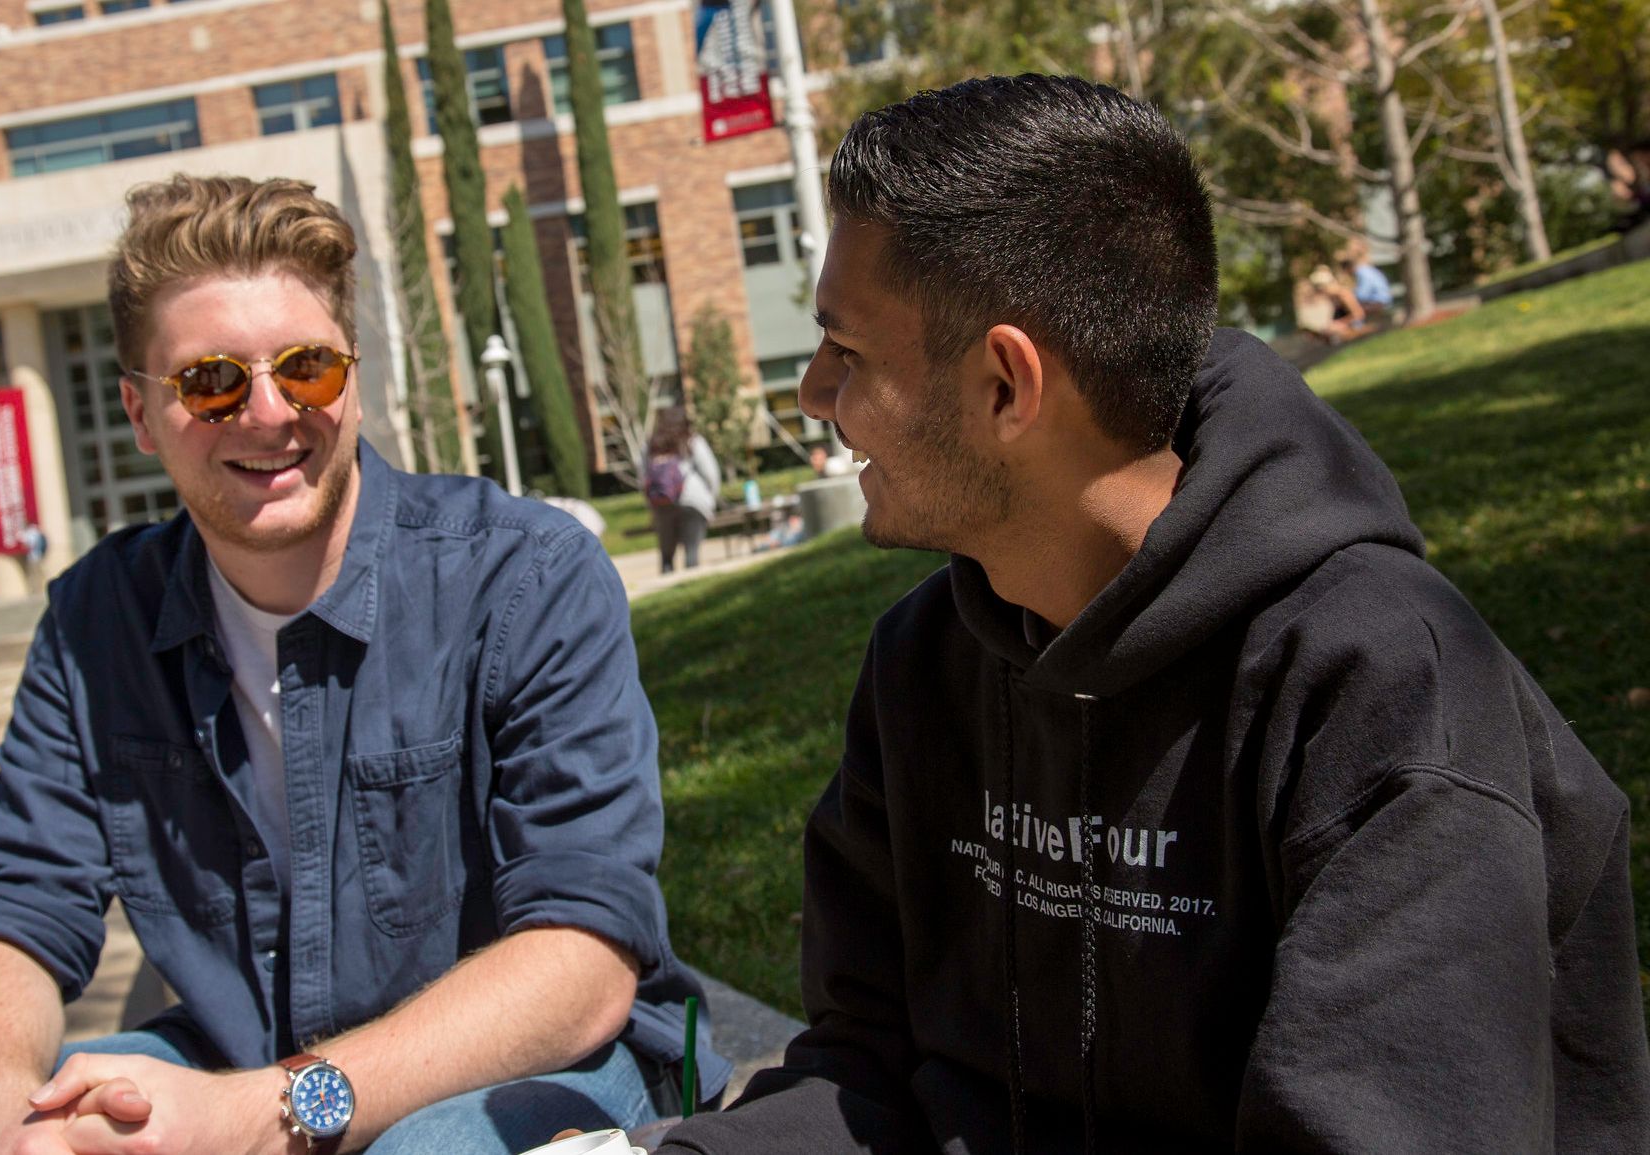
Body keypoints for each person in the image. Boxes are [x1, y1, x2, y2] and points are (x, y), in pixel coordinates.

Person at [657, 75, 1649, 1153]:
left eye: (844, 353)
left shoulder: (1382, 691)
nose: (810, 394)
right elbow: (868, 1066)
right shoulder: (922, 662)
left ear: (1005, 385)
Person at [0, 175, 727, 1155]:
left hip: (533, 1073)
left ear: (353, 376)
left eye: (306, 368)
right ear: (137, 412)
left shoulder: (524, 574)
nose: (265, 413)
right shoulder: (96, 621)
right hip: (233, 1057)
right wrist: (0, 1130)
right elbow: (10, 921)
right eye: (209, 382)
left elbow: (579, 964)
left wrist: (260, 1115)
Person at [641, 406, 721, 574]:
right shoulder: (693, 441)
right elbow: (711, 473)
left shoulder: (650, 445)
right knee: (691, 553)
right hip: (693, 501)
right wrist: (711, 498)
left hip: (661, 502)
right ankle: (694, 591)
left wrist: (651, 506)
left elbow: (643, 478)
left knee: (666, 557)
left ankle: (665, 592)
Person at [1343, 241, 1392, 326]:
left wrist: (1350, 294)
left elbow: (1362, 294)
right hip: (1381, 299)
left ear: (1348, 268)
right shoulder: (1367, 269)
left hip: (1379, 301)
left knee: (1353, 308)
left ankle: (1357, 328)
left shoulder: (1362, 272)